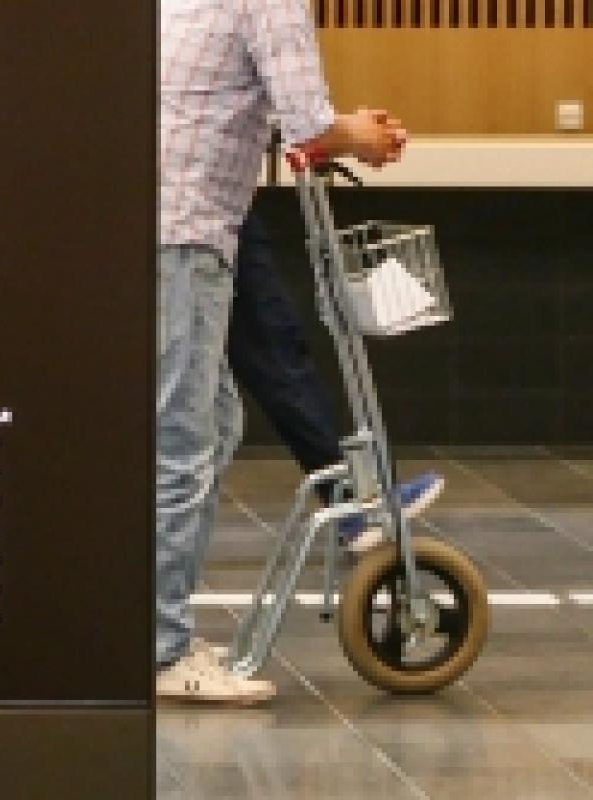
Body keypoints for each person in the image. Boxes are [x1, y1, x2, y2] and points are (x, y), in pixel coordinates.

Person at [157, 0, 409, 705]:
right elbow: (310, 124)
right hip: (185, 231)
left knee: (213, 426)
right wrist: (360, 133)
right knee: (181, 442)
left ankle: (156, 626)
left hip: (164, 224)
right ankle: (159, 651)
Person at [226, 207, 443, 552]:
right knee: (273, 353)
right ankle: (355, 501)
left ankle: (353, 499)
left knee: (235, 396)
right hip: (205, 228)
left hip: (216, 223)